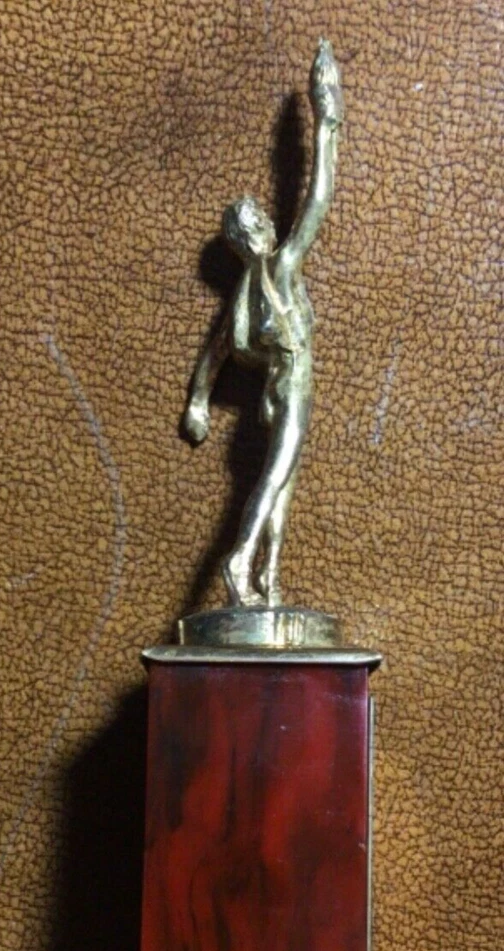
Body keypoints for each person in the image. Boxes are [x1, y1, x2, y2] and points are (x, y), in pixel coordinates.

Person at [185, 38, 343, 607]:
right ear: (260, 232)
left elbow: (215, 356)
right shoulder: (283, 266)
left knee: (285, 482)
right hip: (292, 384)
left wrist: (199, 403)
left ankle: (269, 581)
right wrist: (328, 121)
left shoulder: (245, 299)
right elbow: (318, 196)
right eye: (261, 220)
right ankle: (239, 560)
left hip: (276, 392)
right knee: (275, 476)